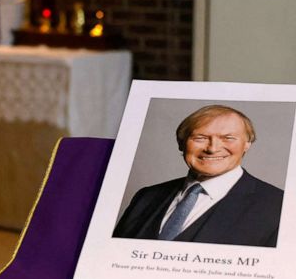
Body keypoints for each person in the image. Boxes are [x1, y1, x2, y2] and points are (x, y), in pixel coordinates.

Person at [113, 105, 283, 248]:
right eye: (200, 138)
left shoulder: (278, 206)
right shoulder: (146, 197)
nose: (212, 148)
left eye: (228, 138)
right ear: (181, 143)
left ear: (247, 144)